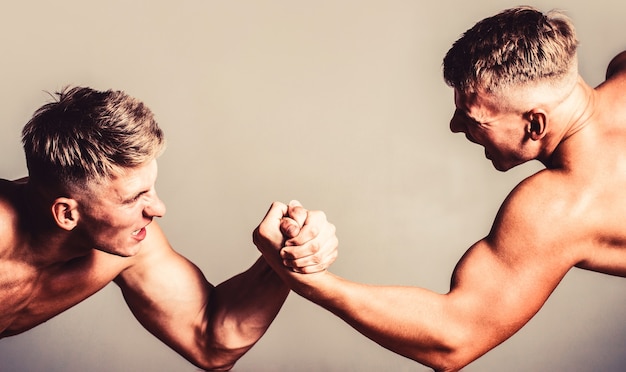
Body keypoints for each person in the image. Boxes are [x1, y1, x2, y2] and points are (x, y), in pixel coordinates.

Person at [253, 6, 626, 372]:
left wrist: (316, 284)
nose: (454, 126)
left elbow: (454, 336)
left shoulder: (561, 209)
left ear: (535, 125)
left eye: (474, 119)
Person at [0, 86, 338, 371]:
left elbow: (211, 341)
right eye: (135, 198)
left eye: (153, 189)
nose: (159, 209)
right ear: (66, 214)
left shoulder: (129, 247)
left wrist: (284, 255)